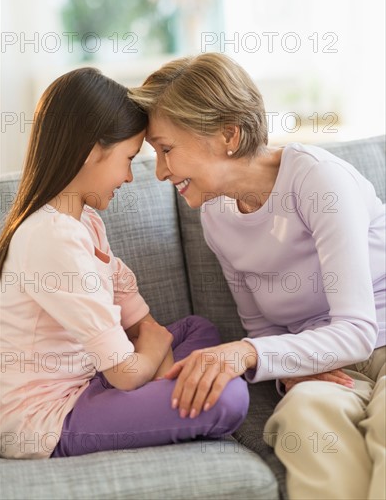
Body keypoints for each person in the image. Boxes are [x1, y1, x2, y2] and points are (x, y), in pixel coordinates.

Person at [127, 52, 386, 500]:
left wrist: (243, 355)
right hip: (322, 365)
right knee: (303, 418)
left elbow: (358, 330)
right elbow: (264, 328)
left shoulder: (317, 180)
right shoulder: (216, 216)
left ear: (229, 134)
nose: (161, 171)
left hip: (375, 341)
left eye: (166, 149)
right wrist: (289, 374)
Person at [0, 67, 249, 460]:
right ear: (90, 150)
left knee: (197, 329)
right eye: (129, 158)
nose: (131, 177)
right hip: (47, 418)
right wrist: (149, 358)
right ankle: (169, 395)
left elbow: (142, 322)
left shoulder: (85, 221)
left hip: (93, 379)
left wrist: (153, 350)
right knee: (229, 396)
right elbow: (124, 372)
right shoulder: (51, 237)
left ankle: (165, 392)